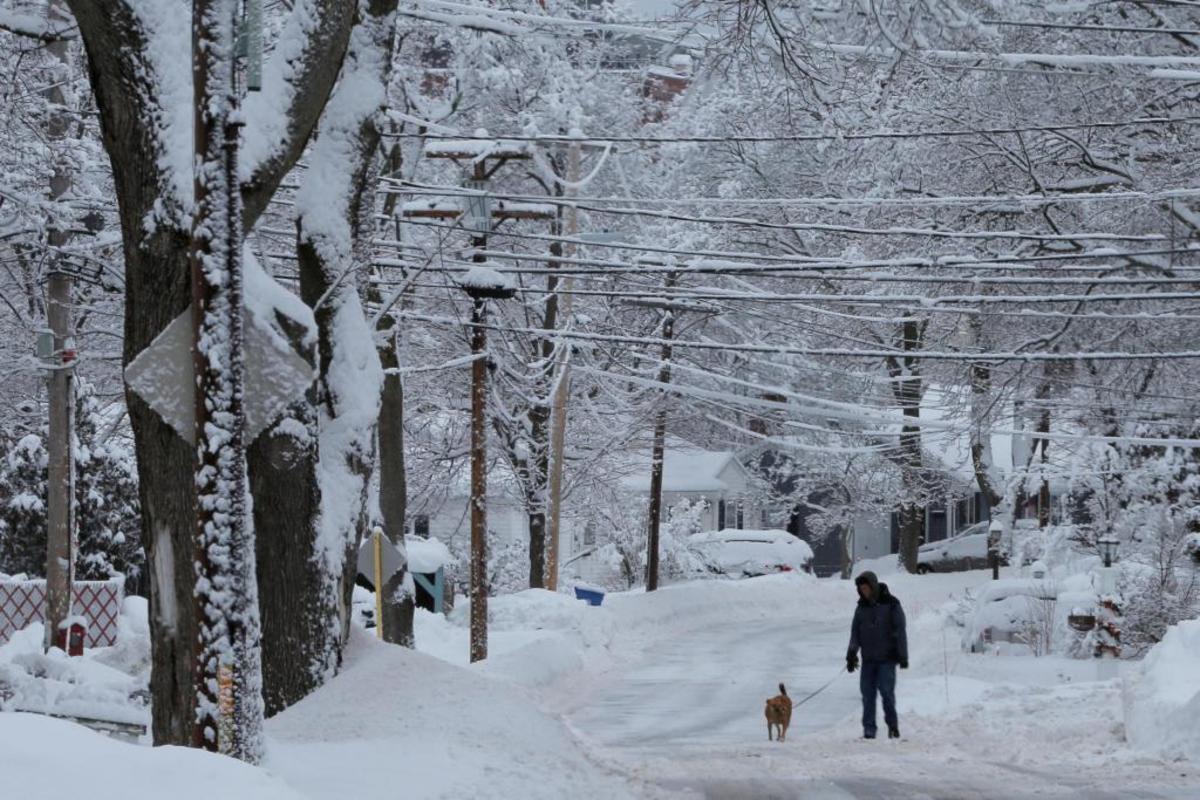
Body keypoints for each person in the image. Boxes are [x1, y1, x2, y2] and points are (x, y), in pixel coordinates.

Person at [845, 570, 908, 740]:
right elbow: (855, 632)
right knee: (867, 695)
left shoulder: (891, 603)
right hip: (868, 660)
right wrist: (852, 653)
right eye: (861, 589)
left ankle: (892, 725)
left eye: (866, 588)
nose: (864, 592)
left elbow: (900, 630)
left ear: (872, 587)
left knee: (886, 693)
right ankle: (869, 729)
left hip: (887, 659)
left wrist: (903, 655)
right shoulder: (861, 608)